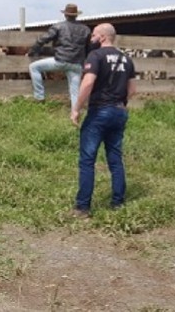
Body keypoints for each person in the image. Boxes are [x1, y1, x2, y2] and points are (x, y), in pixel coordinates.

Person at [70, 23, 137, 217]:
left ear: (102, 37)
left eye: (93, 35)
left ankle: (83, 207)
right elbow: (132, 89)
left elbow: (88, 83)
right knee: (115, 159)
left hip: (99, 111)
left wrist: (76, 108)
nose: (91, 39)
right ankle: (118, 203)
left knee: (87, 160)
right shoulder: (126, 59)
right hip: (119, 111)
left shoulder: (96, 56)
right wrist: (121, 103)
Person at [28, 3, 91, 108]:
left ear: (65, 15)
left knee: (33, 67)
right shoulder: (86, 29)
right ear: (76, 15)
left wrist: (32, 51)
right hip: (77, 64)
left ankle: (39, 97)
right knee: (75, 92)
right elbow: (88, 48)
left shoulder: (58, 26)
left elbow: (43, 39)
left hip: (60, 60)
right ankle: (75, 112)